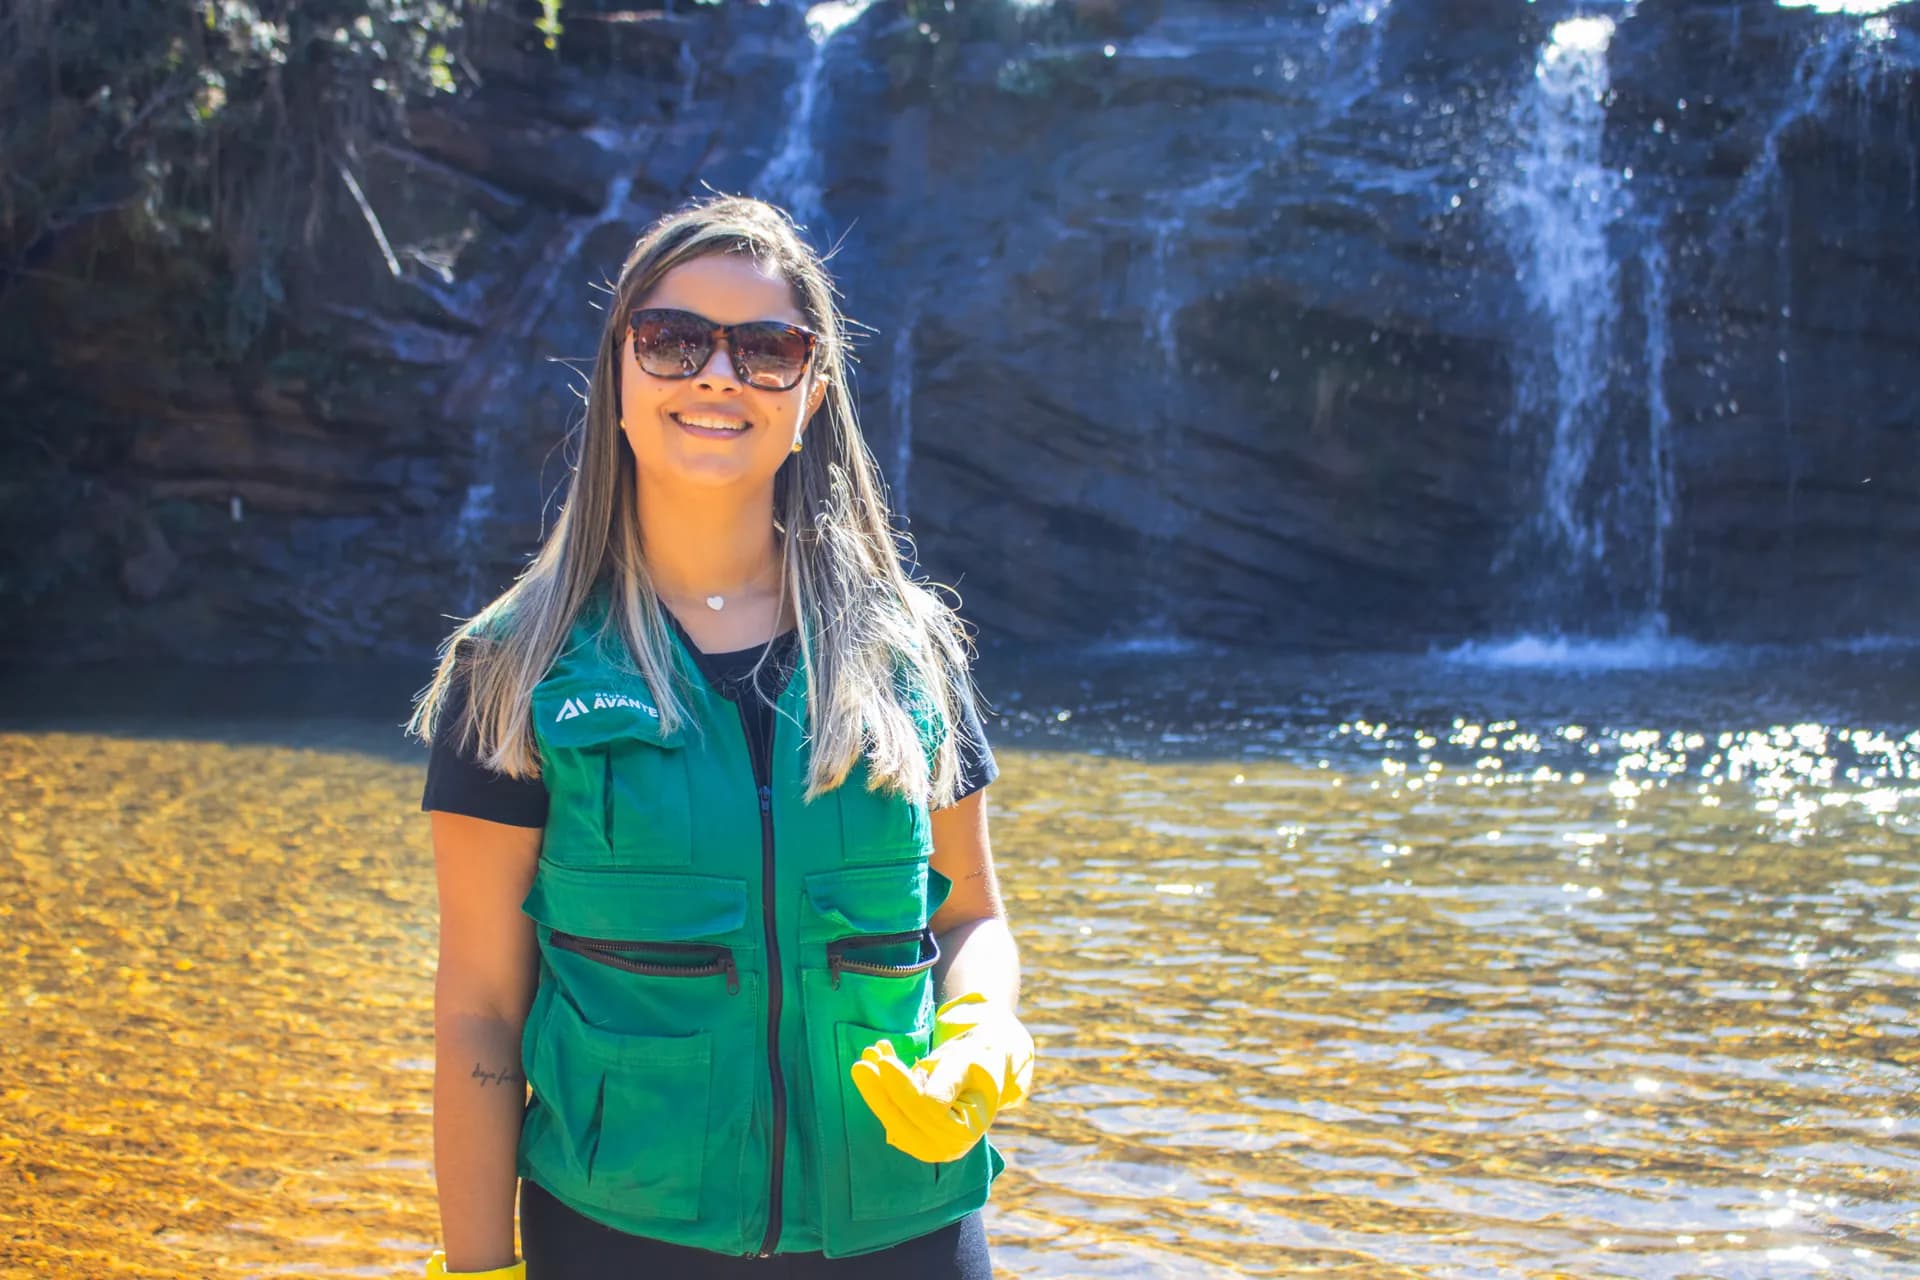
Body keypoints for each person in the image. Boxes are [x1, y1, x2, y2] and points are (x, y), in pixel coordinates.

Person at [405, 194, 1035, 1280]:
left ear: (814, 391)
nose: (717, 374)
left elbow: (972, 911)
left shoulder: (912, 653)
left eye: (767, 347)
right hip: (619, 1242)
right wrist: (476, 1266)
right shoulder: (508, 669)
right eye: (674, 339)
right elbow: (478, 1008)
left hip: (910, 1232)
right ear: (616, 375)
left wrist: (978, 1028)